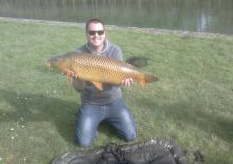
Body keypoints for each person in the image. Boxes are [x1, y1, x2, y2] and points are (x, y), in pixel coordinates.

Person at [72, 18, 137, 147]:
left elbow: (116, 81)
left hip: (114, 101)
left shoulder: (114, 50)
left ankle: (106, 118)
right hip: (91, 103)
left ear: (104, 33)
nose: (96, 35)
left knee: (131, 136)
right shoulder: (78, 54)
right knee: (83, 143)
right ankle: (89, 116)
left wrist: (124, 80)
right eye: (92, 32)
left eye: (100, 32)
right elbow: (79, 88)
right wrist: (77, 76)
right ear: (87, 34)